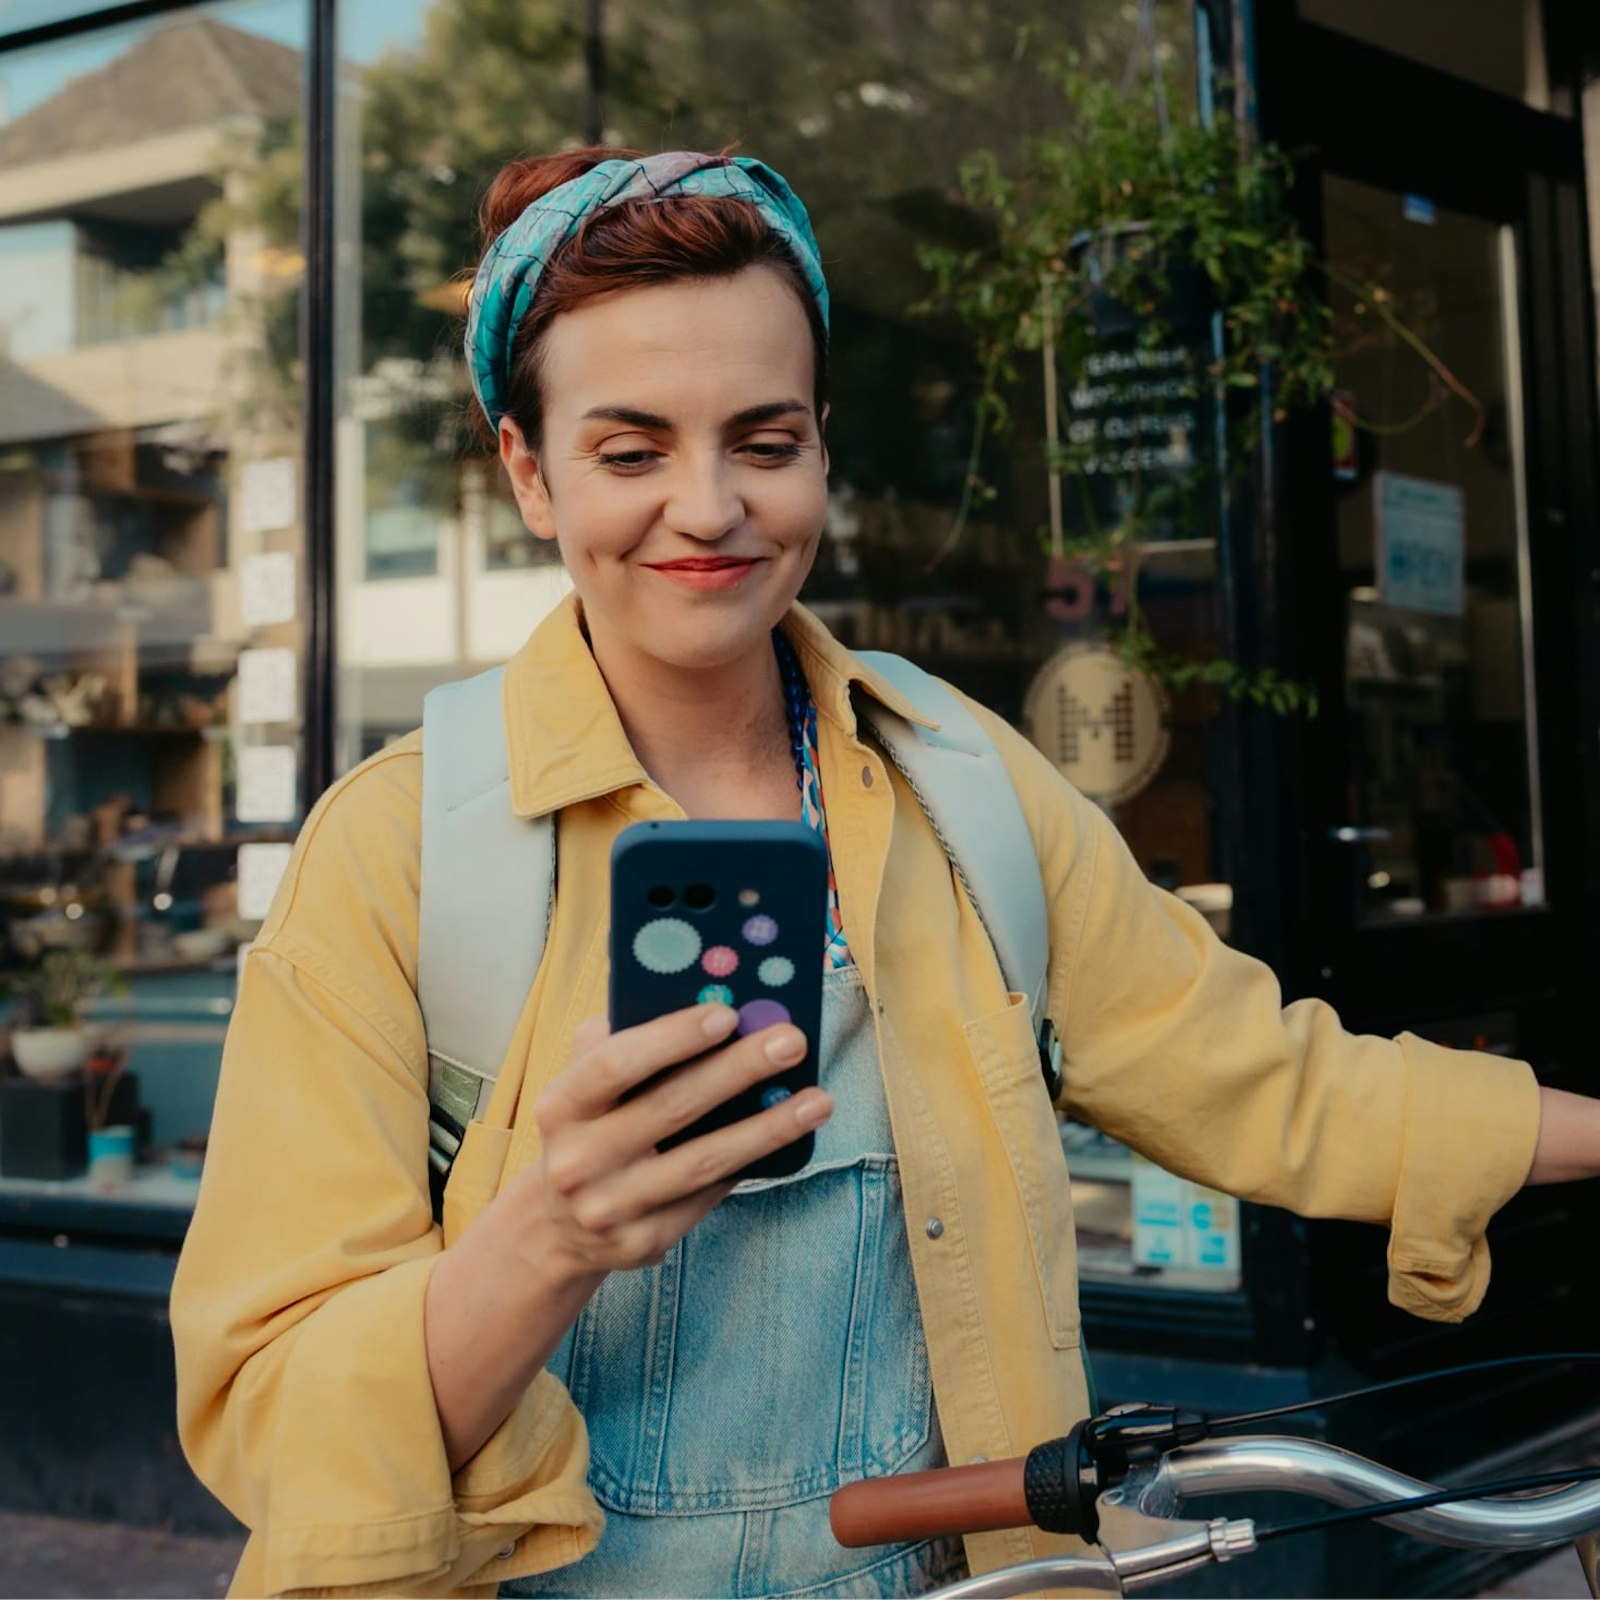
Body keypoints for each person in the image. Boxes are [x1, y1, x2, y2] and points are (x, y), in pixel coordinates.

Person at [170, 148, 1600, 1600]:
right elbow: (280, 1420)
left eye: (765, 440)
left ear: (823, 454)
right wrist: (552, 1231)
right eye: (630, 450)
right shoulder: (401, 851)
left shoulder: (959, 781)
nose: (710, 506)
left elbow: (1269, 1078)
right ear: (529, 474)